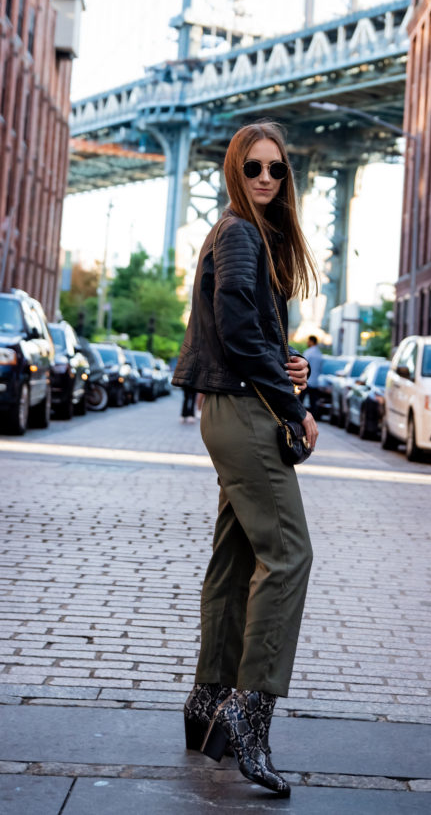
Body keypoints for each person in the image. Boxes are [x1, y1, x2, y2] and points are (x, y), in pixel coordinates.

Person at [172, 120, 319, 797]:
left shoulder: (246, 237)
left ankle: (207, 705)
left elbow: (247, 328)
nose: (265, 178)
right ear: (235, 171)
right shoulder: (236, 232)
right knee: (288, 555)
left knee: (236, 558)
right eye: (253, 167)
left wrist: (291, 364)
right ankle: (251, 713)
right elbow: (233, 326)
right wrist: (292, 409)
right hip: (243, 413)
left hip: (233, 408)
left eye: (276, 170)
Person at [303, 334, 323, 415]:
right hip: (315, 382)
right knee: (313, 403)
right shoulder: (319, 354)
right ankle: (313, 417)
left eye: (308, 341)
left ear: (311, 341)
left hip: (306, 381)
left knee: (300, 400)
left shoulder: (308, 353)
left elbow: (304, 366)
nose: (307, 343)